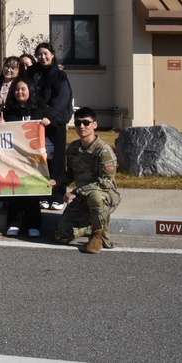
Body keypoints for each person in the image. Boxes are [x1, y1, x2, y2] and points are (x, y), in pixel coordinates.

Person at [52, 108, 121, 254]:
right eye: (78, 123)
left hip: (105, 196)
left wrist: (76, 192)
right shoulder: (73, 148)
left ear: (94, 125)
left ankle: (97, 235)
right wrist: (57, 182)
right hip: (82, 197)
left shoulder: (104, 151)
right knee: (61, 236)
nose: (81, 126)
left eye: (86, 122)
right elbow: (70, 174)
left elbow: (106, 182)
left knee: (95, 196)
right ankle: (91, 225)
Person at [0, 77, 53, 238]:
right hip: (14, 157)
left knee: (31, 192)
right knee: (15, 191)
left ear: (30, 91)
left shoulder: (39, 108)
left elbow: (54, 127)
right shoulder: (9, 111)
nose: (19, 92)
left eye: (23, 89)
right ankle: (13, 223)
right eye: (16, 89)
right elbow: (2, 134)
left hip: (34, 159)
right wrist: (1, 124)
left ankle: (33, 224)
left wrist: (48, 122)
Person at [30, 42, 74, 211]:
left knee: (56, 161)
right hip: (37, 124)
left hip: (56, 123)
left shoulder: (60, 76)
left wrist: (50, 115)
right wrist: (40, 116)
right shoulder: (33, 73)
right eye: (39, 54)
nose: (43, 57)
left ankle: (57, 196)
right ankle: (42, 194)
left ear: (53, 54)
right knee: (40, 159)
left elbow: (62, 99)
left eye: (46, 53)